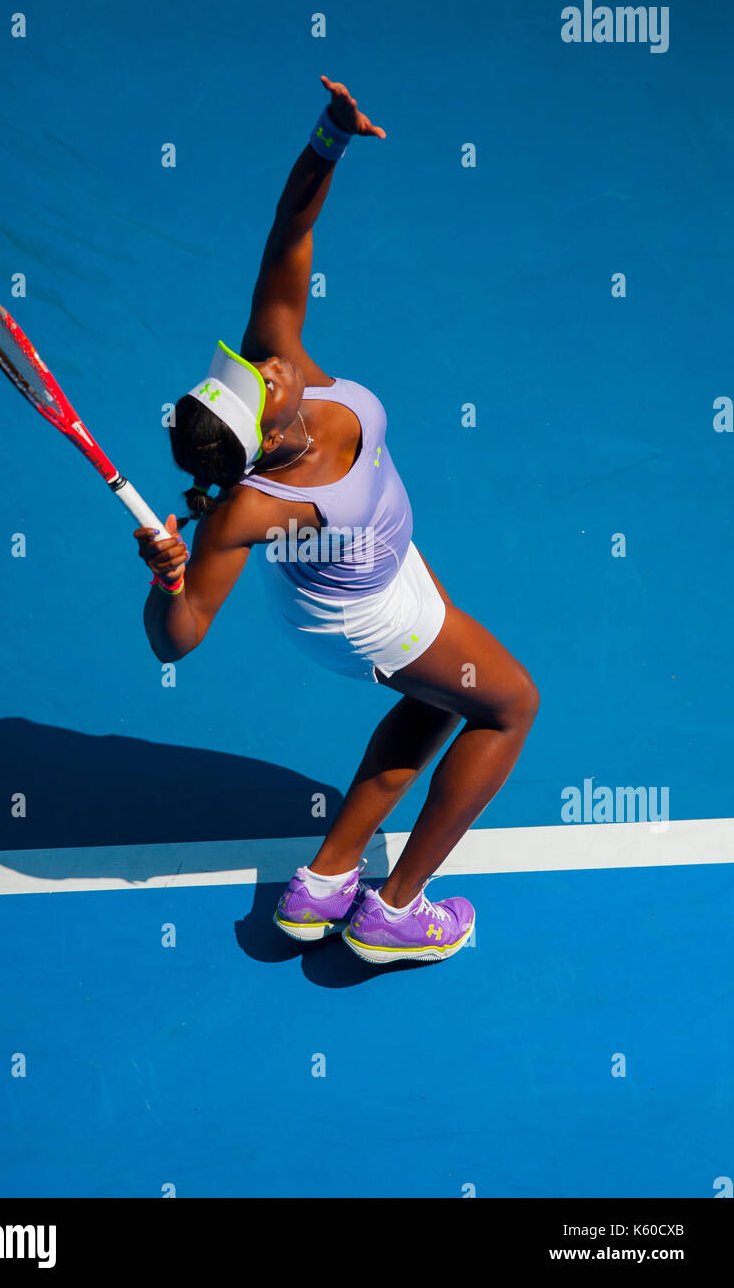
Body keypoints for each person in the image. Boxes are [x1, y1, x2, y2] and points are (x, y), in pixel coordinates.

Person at [134, 76, 539, 965]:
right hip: (359, 612)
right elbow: (180, 639)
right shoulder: (249, 509)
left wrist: (328, 139)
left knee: (436, 702)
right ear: (266, 439)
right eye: (257, 388)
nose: (264, 365)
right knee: (507, 706)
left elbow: (290, 230)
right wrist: (168, 581)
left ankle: (323, 882)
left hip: (381, 562)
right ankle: (395, 912)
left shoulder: (274, 360)